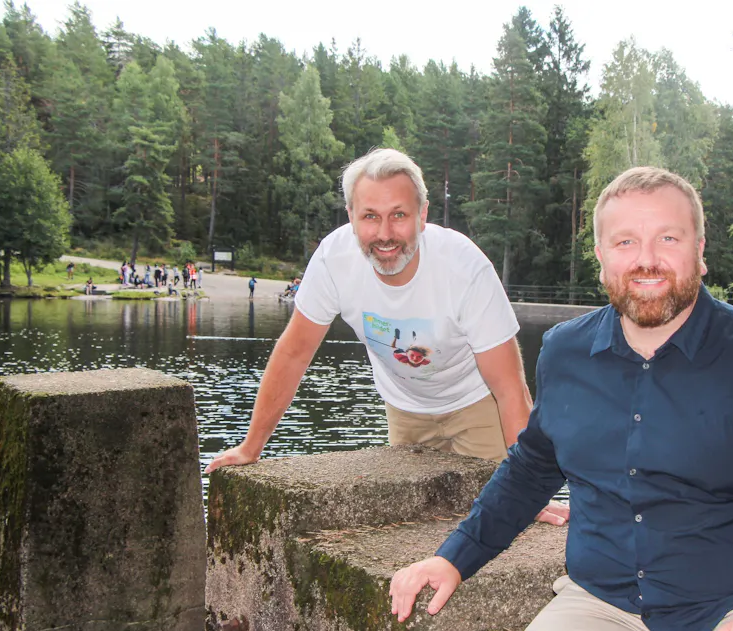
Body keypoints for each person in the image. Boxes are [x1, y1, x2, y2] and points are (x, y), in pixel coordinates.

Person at [389, 167, 733, 631]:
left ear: (700, 252)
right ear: (601, 257)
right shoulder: (564, 352)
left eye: (668, 239)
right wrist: (452, 557)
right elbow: (530, 471)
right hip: (602, 605)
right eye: (625, 243)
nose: (647, 260)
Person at [204, 148, 567, 525]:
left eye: (399, 215)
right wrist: (252, 447)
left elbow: (510, 388)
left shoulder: (464, 267)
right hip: (405, 410)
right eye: (370, 217)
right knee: (416, 524)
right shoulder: (334, 260)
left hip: (478, 405)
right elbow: (293, 354)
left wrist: (528, 491)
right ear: (351, 216)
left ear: (422, 215)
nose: (384, 234)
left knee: (500, 523)